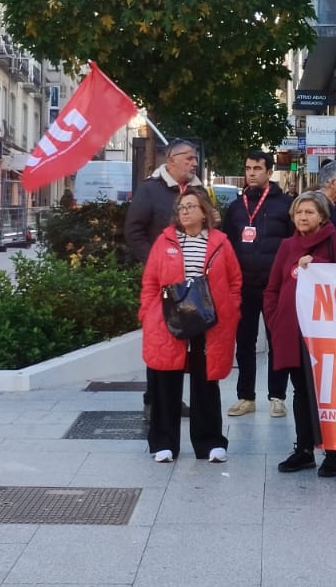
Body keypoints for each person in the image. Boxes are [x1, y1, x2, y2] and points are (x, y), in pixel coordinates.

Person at [138, 187, 240, 464]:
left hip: (209, 321)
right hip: (169, 320)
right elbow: (150, 281)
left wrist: (231, 309)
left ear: (204, 212)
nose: (184, 212)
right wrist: (148, 313)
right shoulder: (165, 242)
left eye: (191, 206)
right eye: (181, 207)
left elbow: (234, 281)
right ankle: (163, 442)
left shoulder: (220, 242)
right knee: (165, 382)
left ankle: (210, 443)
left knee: (205, 382)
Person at [266, 192, 336, 478]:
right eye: (299, 212)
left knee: (326, 393)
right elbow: (273, 287)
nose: (303, 217)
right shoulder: (287, 245)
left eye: (309, 212)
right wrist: (275, 319)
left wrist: (316, 266)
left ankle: (333, 453)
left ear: (323, 216)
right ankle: (304, 449)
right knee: (301, 391)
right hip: (291, 331)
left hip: (326, 334)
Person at [126, 141, 205, 418]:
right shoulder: (150, 190)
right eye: (189, 158)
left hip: (193, 283)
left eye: (195, 158)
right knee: (161, 340)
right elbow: (133, 231)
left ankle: (175, 398)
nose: (194, 163)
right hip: (162, 283)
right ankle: (153, 400)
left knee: (187, 341)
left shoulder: (198, 190)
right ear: (171, 160)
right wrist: (155, 264)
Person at [222, 151, 295, 419]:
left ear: (269, 172)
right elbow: (227, 245)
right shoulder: (236, 207)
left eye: (257, 168)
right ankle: (246, 397)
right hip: (244, 286)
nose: (251, 173)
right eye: (248, 168)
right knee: (244, 343)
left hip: (274, 287)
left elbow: (293, 244)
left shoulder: (285, 205)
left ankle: (277, 397)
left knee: (278, 342)